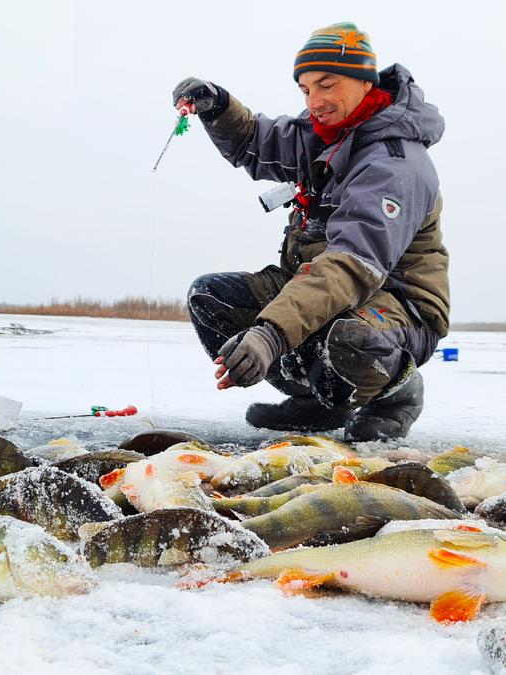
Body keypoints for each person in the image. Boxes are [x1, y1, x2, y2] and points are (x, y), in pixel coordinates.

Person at [173, 23, 448, 442]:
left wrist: (269, 336)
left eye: (326, 85)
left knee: (349, 339)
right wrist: (218, 107)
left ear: (363, 79)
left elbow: (348, 267)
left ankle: (396, 393)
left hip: (396, 304)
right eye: (305, 90)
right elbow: (256, 140)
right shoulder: (321, 135)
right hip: (319, 285)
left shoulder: (396, 164)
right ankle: (320, 402)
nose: (314, 102)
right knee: (211, 299)